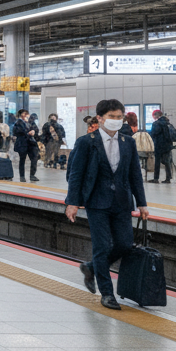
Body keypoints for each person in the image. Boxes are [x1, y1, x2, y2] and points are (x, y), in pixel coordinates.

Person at [65, 99, 150, 310]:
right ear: (100, 118)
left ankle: (91, 268)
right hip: (96, 201)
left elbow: (135, 175)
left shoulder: (128, 142)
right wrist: (72, 202)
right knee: (102, 247)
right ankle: (107, 293)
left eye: (119, 117)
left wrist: (142, 203)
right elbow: (76, 175)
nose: (116, 120)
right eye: (112, 117)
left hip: (122, 201)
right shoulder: (86, 142)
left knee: (124, 244)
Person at [149, 110, 176, 183]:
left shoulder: (156, 123)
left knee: (157, 162)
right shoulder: (168, 123)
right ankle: (168, 178)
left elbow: (153, 133)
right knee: (167, 162)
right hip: (168, 145)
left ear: (155, 116)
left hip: (159, 145)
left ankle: (156, 178)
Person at [12, 108, 40, 182]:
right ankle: (22, 176)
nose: (27, 115)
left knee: (34, 158)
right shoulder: (18, 122)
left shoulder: (30, 122)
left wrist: (34, 131)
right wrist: (27, 133)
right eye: (24, 114)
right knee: (22, 160)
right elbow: (16, 132)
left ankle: (32, 175)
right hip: (23, 143)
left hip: (31, 143)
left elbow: (36, 129)